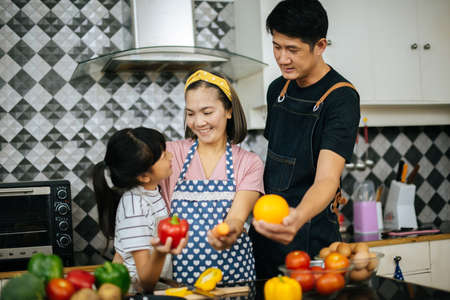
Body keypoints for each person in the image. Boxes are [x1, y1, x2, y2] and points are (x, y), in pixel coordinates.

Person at [249, 0, 361, 279]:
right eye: (277, 46)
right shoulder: (277, 90)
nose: (282, 58)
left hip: (310, 235)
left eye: (292, 49)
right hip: (266, 234)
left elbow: (327, 179)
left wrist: (296, 218)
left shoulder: (341, 98)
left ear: (320, 46)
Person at [159, 70, 264, 285]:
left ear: (228, 111)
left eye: (207, 112)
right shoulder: (170, 154)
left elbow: (236, 218)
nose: (198, 122)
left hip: (234, 281)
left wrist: (229, 233)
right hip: (179, 283)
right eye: (190, 113)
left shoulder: (249, 163)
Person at [92, 127, 188, 292]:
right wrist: (161, 252)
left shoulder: (151, 192)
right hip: (135, 293)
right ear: (144, 176)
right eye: (164, 156)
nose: (171, 156)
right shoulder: (135, 206)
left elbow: (121, 253)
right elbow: (144, 281)